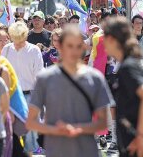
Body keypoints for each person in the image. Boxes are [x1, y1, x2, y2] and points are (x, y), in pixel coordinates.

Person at [25, 25, 113, 157]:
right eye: (69, 45)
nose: (74, 51)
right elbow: (31, 121)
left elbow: (104, 121)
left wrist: (79, 129)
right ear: (60, 46)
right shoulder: (45, 78)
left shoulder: (95, 78)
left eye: (78, 46)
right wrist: (55, 130)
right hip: (56, 150)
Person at [103, 17, 143, 157]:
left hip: (142, 146)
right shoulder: (134, 62)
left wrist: (140, 136)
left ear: (112, 39)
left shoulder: (129, 67)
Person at [3, 21, 44, 155]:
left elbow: (39, 74)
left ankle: (30, 153)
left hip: (29, 95)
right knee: (12, 129)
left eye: (20, 38)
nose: (17, 42)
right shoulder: (6, 49)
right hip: (10, 96)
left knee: (30, 132)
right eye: (14, 38)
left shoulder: (34, 50)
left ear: (25, 35)